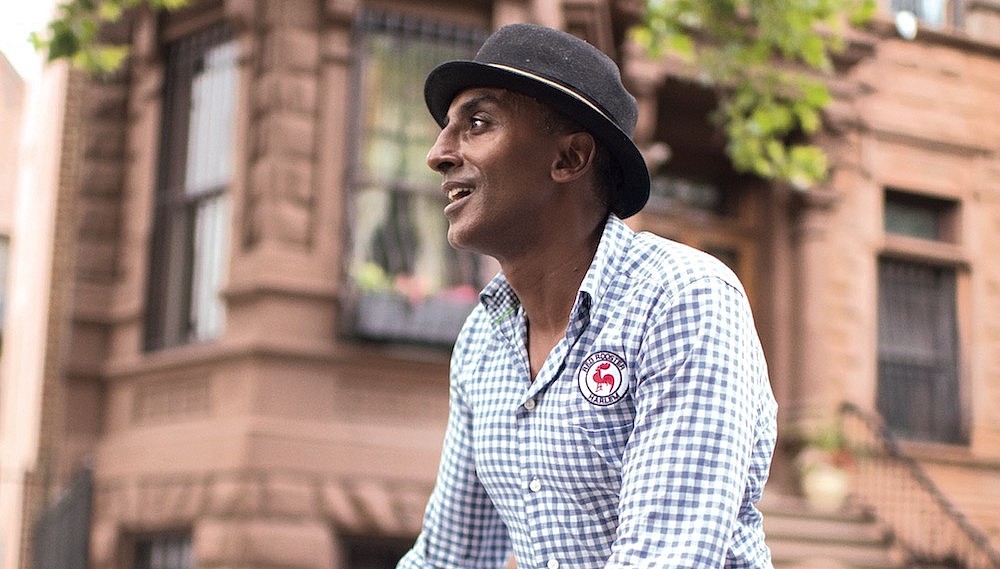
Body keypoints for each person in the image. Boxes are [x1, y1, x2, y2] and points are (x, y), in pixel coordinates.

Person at [397, 22, 778, 568]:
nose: (438, 153)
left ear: (570, 158)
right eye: (446, 128)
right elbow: (449, 556)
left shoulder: (683, 299)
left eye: (477, 123)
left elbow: (665, 559)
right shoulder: (483, 338)